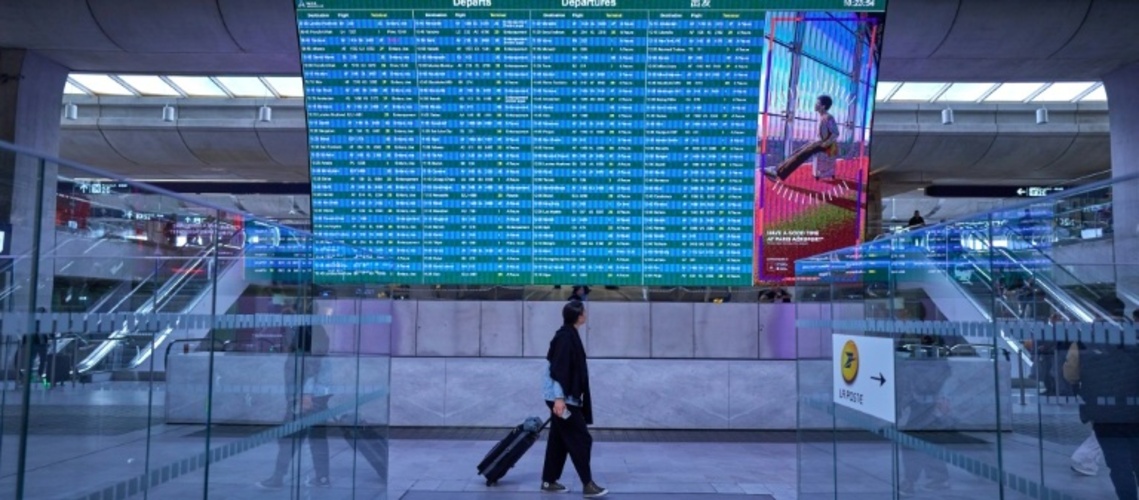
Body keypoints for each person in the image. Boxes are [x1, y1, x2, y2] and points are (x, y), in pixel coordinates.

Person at [257, 304, 333, 489]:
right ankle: (322, 478)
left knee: (289, 438)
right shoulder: (311, 328)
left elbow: (312, 364)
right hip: (314, 394)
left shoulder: (308, 329)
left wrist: (305, 394)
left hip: (308, 396)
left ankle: (277, 478)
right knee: (315, 437)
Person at [1063, 327, 1139, 499]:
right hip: (1135, 409)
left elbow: (1071, 373)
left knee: (1119, 466)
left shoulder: (1084, 340)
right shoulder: (1134, 335)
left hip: (1104, 412)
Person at [541, 301, 607, 497]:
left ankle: (549, 480)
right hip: (562, 398)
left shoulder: (569, 334)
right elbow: (558, 370)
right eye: (583, 312)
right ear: (578, 316)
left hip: (564, 397)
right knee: (581, 439)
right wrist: (559, 399)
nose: (585, 314)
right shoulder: (565, 337)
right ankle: (587, 484)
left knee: (558, 440)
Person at [764, 94, 840, 181]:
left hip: (827, 146)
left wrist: (824, 144)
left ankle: (779, 174)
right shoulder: (822, 117)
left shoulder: (828, 117)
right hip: (819, 142)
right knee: (798, 151)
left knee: (802, 155)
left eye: (817, 103)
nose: (815, 104)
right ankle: (777, 169)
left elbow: (836, 134)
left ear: (823, 106)